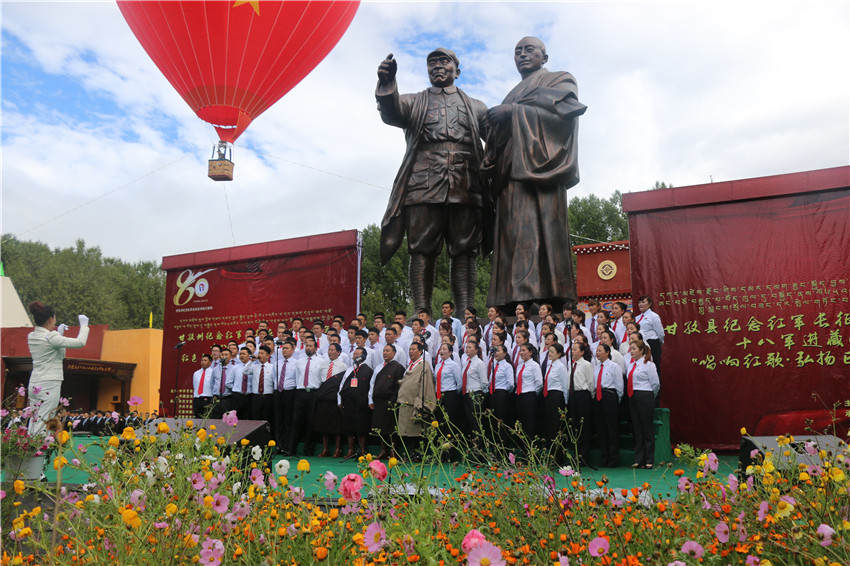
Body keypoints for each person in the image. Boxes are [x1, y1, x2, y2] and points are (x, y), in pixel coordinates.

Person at [376, 48, 489, 314]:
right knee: (421, 248)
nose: (437, 66)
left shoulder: (477, 106)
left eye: (444, 61)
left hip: (467, 182)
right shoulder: (414, 101)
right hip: (423, 183)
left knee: (465, 248)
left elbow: (496, 140)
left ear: (457, 71)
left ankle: (465, 310)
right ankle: (421, 310)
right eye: (432, 63)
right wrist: (387, 82)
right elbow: (391, 111)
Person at [484, 37, 587, 311]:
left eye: (529, 49)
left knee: (538, 230)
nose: (522, 54)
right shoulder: (511, 94)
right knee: (511, 233)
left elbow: (564, 118)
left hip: (542, 171)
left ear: (545, 57)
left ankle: (545, 295)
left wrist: (513, 113)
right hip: (510, 176)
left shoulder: (559, 80)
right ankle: (510, 298)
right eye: (517, 51)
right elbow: (496, 139)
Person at [26, 302, 89, 439]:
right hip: (49, 383)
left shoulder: (32, 336)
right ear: (50, 319)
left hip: (35, 383)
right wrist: (84, 326)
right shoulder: (51, 337)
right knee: (45, 421)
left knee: (34, 419)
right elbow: (80, 342)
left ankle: (28, 448)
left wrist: (58, 334)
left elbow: (56, 353)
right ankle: (39, 449)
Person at [395, 342, 437, 460]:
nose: (411, 352)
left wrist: (422, 401)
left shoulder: (424, 365)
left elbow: (426, 384)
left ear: (420, 352)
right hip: (405, 402)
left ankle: (419, 453)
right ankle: (412, 452)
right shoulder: (411, 365)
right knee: (407, 431)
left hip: (415, 403)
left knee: (417, 430)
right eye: (410, 349)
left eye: (413, 349)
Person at [626, 340, 661, 469]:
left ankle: (649, 459)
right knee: (637, 428)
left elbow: (655, 384)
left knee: (647, 428)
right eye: (630, 348)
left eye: (634, 348)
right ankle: (639, 459)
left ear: (641, 350)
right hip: (633, 396)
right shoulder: (631, 365)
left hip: (645, 395)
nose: (631, 351)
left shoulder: (648, 364)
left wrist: (650, 396)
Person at [369, 345, 406, 459]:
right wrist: (371, 399)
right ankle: (383, 450)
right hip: (379, 402)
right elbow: (372, 384)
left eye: (388, 351)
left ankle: (393, 451)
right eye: (384, 350)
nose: (385, 353)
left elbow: (398, 386)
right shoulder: (379, 367)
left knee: (391, 428)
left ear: (394, 353)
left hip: (391, 402)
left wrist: (394, 401)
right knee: (380, 427)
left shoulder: (398, 367)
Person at [338, 348, 373, 458]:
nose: (355, 356)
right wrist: (339, 400)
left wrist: (369, 401)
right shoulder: (349, 370)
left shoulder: (368, 370)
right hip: (348, 403)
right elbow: (342, 386)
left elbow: (371, 387)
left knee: (362, 427)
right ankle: (351, 449)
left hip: (362, 404)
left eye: (358, 354)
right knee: (349, 428)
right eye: (354, 354)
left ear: (364, 356)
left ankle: (362, 449)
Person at [594, 343, 624, 467]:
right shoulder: (596, 367)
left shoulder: (614, 366)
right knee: (601, 428)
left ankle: (613, 458)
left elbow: (619, 386)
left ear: (607, 352)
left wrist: (616, 400)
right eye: (597, 350)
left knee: (611, 428)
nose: (597, 353)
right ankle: (604, 456)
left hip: (609, 395)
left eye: (600, 350)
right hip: (598, 397)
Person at [568, 341, 594, 467]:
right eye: (572, 349)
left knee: (583, 426)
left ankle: (583, 456)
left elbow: (591, 383)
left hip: (583, 396)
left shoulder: (586, 365)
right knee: (575, 425)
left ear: (582, 352)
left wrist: (589, 398)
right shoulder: (571, 364)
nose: (572, 352)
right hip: (573, 396)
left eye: (575, 349)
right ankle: (576, 454)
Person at [542, 343, 569, 463]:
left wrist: (566, 401)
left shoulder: (561, 367)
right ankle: (552, 455)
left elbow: (565, 385)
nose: (550, 354)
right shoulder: (550, 366)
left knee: (556, 426)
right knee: (550, 426)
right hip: (549, 396)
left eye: (552, 351)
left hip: (557, 396)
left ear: (559, 354)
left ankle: (558, 457)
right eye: (549, 351)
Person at [636, 295, 665, 371]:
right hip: (640, 344)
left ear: (649, 304)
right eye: (639, 302)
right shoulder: (636, 318)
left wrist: (657, 343)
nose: (640, 304)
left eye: (643, 302)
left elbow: (660, 333)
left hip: (652, 343)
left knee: (653, 366)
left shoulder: (654, 316)